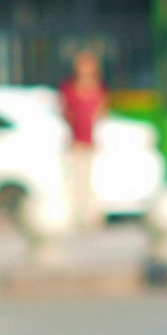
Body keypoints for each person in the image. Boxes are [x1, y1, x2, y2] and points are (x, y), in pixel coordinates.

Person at [59, 49, 109, 232]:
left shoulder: (100, 91)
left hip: (94, 144)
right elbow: (66, 114)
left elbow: (102, 116)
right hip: (76, 144)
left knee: (94, 183)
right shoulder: (69, 90)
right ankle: (77, 217)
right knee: (76, 183)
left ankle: (92, 217)